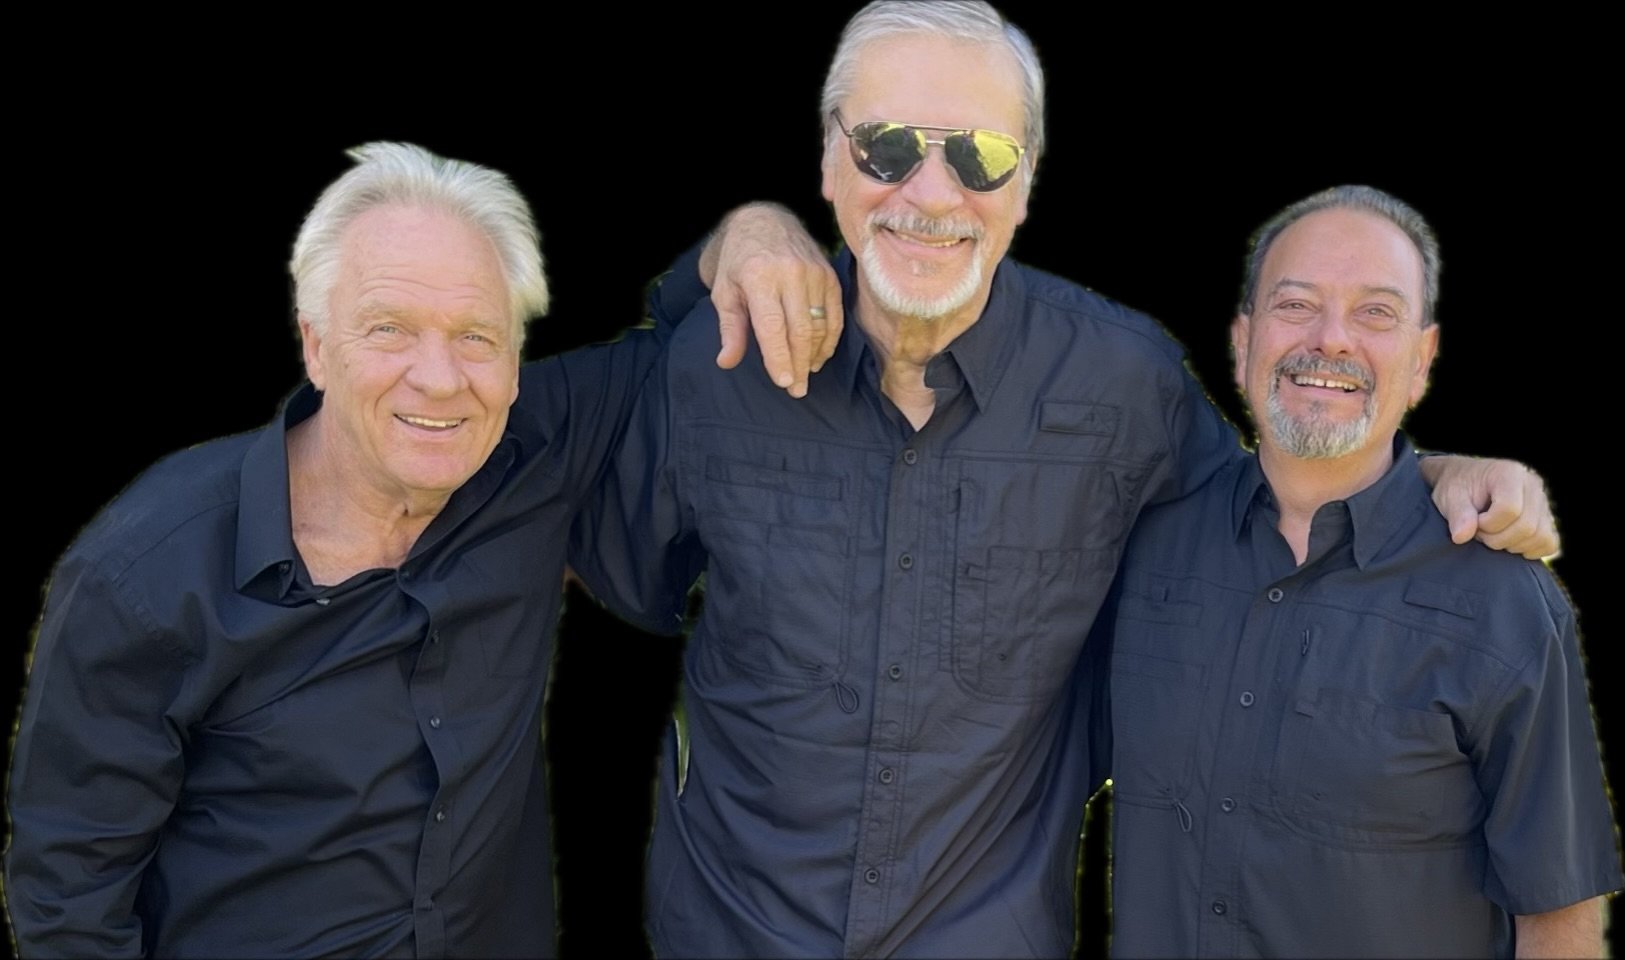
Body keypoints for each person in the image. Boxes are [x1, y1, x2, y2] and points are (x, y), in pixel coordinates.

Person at [570, 3, 1559, 955]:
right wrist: (736, 232)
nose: (931, 192)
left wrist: (1436, 470)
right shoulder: (717, 362)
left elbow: (1278, 507)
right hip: (727, 933)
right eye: (885, 146)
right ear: (829, 157)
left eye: (979, 156)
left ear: (1027, 179)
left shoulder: (1125, 383)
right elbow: (571, 531)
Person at [1, 142, 836, 957]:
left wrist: (754, 228)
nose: (439, 378)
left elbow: (687, 339)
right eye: (389, 329)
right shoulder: (148, 573)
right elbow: (70, 898)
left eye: (476, 336)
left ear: (514, 360)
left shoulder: (530, 449)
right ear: (316, 345)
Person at [1104, 186, 1621, 958]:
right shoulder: (1141, 547)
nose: (1331, 339)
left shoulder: (1503, 603)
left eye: (1375, 312)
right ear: (1242, 340)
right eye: (1295, 304)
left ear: (1421, 361)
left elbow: (1555, 911)